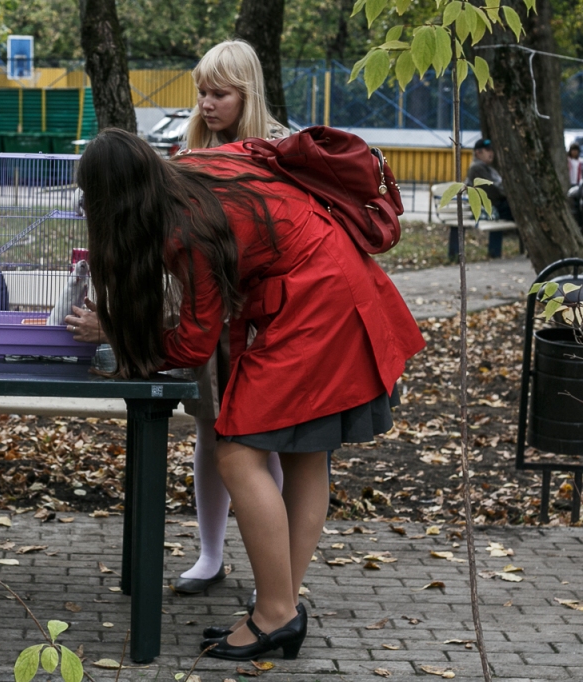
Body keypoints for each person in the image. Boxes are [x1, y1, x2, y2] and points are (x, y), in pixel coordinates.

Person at [76, 129, 424, 661]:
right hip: (337, 280)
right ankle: (275, 606)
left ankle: (277, 613)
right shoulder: (190, 169)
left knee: (237, 453)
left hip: (319, 300)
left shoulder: (186, 228)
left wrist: (115, 333)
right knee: (305, 453)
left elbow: (194, 341)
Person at [68, 40, 284, 596]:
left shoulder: (277, 151)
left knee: (259, 443)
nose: (206, 105)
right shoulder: (192, 148)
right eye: (201, 93)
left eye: (219, 94)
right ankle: (211, 555)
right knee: (212, 438)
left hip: (261, 324)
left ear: (249, 94)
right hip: (207, 321)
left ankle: (274, 575)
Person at [466, 138, 513, 220]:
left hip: (494, 206)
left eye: (492, 150)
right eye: (488, 150)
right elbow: (493, 190)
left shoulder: (487, 167)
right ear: (478, 153)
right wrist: (510, 193)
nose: (491, 153)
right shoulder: (477, 168)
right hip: (489, 209)